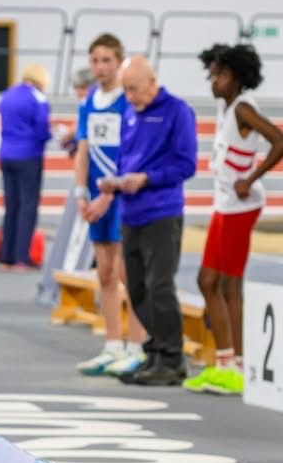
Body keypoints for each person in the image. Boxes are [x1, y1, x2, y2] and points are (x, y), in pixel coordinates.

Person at [184, 43, 283, 395]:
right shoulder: (225, 107)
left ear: (238, 78)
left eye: (222, 75)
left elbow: (279, 140)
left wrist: (250, 179)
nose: (214, 81)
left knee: (229, 285)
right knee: (206, 281)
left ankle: (238, 367)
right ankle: (223, 362)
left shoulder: (243, 108)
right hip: (223, 204)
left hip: (240, 207)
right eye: (213, 74)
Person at [97, 57, 198, 386]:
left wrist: (148, 178)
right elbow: (124, 158)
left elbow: (186, 164)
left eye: (134, 89)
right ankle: (154, 352)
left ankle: (172, 358)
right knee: (137, 285)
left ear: (152, 82)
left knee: (159, 285)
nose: (130, 96)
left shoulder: (177, 111)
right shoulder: (129, 112)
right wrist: (113, 184)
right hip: (131, 212)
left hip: (162, 211)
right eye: (125, 90)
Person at [74, 35, 148, 377]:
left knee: (126, 272)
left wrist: (108, 195)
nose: (100, 67)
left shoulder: (125, 101)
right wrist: (81, 192)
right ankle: (112, 344)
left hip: (120, 195)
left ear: (118, 62)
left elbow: (130, 153)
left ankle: (137, 345)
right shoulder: (90, 100)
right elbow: (84, 149)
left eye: (106, 60)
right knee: (104, 271)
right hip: (95, 194)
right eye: (95, 60)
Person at [0, 64, 52, 270]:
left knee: (11, 206)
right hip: (28, 155)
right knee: (28, 206)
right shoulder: (37, 97)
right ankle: (21, 256)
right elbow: (42, 129)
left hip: (6, 154)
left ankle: (6, 256)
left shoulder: (8, 95)